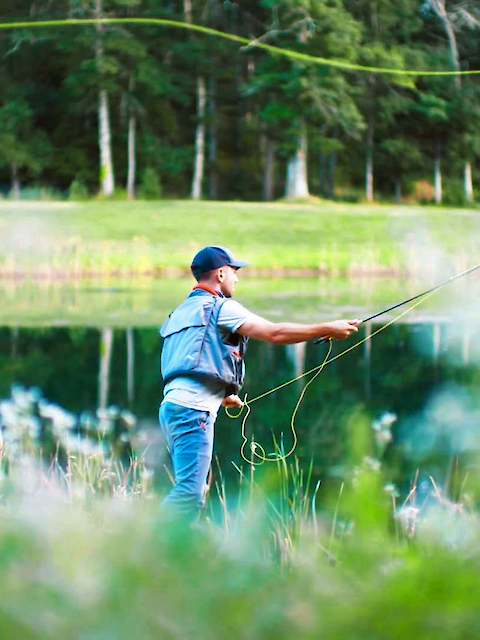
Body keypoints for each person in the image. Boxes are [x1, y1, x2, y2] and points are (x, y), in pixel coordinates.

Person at [159, 245, 359, 519]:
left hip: (172, 408)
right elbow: (274, 333)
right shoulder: (222, 308)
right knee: (189, 494)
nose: (236, 278)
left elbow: (190, 360)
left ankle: (175, 552)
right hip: (192, 411)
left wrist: (221, 395)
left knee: (195, 489)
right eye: (234, 271)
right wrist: (329, 328)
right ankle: (144, 548)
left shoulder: (182, 311)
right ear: (220, 273)